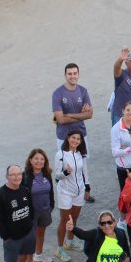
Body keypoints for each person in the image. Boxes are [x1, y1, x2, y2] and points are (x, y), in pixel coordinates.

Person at [51, 62, 96, 203]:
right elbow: (60, 119)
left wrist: (70, 115)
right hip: (63, 136)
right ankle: (66, 194)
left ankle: (85, 191)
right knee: (65, 165)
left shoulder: (83, 91)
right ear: (65, 75)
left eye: (75, 73)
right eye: (69, 74)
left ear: (78, 74)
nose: (72, 76)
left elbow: (89, 115)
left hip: (81, 134)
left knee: (82, 163)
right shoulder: (58, 93)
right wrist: (80, 115)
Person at [53, 129, 88, 262]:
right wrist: (66, 172)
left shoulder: (80, 154)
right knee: (65, 220)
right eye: (73, 137)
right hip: (65, 192)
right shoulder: (60, 154)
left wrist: (87, 187)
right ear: (68, 138)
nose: (75, 141)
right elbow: (57, 176)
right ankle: (60, 249)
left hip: (79, 191)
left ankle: (70, 242)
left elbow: (84, 171)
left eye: (78, 139)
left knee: (74, 218)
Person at [24, 149, 54, 262]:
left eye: (42, 159)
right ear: (30, 160)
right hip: (31, 213)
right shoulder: (25, 177)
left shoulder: (47, 174)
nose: (39, 161)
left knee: (41, 232)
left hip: (45, 210)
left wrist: (51, 205)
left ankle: (39, 254)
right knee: (30, 239)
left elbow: (51, 191)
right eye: (36, 158)